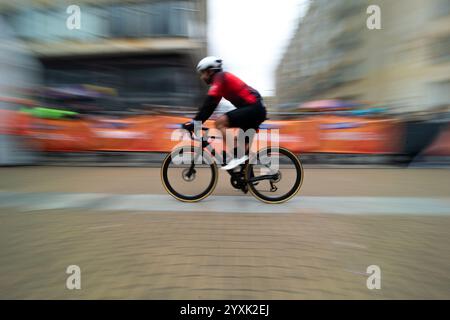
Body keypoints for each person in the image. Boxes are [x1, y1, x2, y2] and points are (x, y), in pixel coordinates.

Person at [183, 56, 267, 170]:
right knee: (242, 147)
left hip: (254, 108)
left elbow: (209, 103)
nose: (202, 77)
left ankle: (237, 157)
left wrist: (195, 122)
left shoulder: (220, 77)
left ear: (210, 71)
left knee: (220, 122)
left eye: (203, 73)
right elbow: (210, 107)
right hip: (257, 109)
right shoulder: (221, 84)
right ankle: (247, 179)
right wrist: (197, 121)